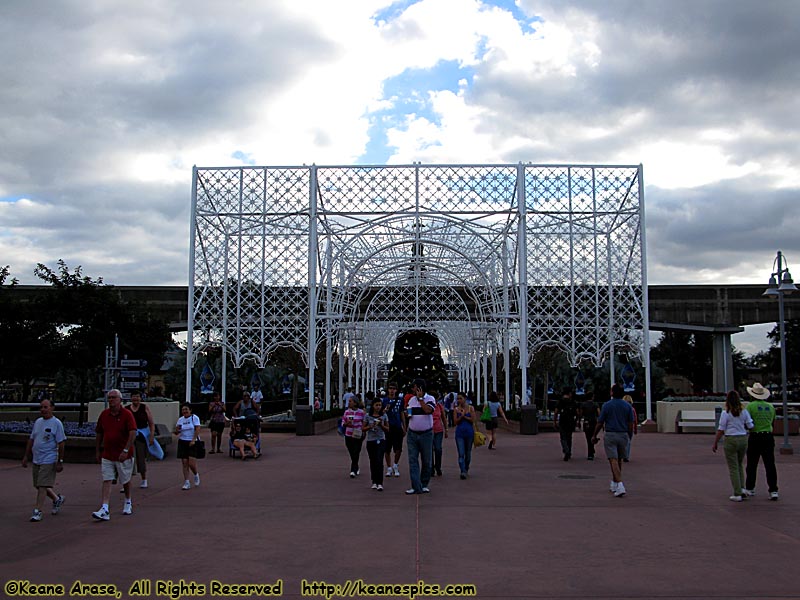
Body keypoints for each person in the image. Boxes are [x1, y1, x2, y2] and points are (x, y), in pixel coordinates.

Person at [93, 389, 137, 521]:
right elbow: (99, 432)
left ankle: (128, 501)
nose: (111, 400)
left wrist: (125, 450)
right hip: (108, 454)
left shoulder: (127, 414)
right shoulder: (104, 415)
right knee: (107, 479)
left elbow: (133, 432)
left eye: (114, 398)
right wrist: (97, 450)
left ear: (120, 400)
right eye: (109, 398)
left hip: (123, 454)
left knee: (125, 480)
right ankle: (105, 507)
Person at [22, 399, 66, 522]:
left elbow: (61, 443)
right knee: (38, 485)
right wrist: (26, 456)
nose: (43, 409)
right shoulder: (38, 422)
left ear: (52, 408)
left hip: (49, 458)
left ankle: (38, 511)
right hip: (37, 459)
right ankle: (57, 499)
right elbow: (31, 439)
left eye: (46, 407)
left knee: (42, 485)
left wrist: (60, 461)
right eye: (41, 407)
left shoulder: (56, 423)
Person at [592, 384, 635, 497]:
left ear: (612, 393)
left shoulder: (607, 405)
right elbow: (630, 423)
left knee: (613, 459)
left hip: (611, 434)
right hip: (623, 434)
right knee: (619, 459)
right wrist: (629, 436)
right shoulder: (627, 406)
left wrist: (594, 435)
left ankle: (620, 484)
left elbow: (600, 422)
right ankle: (615, 482)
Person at [712, 390, 754, 502]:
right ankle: (742, 488)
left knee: (733, 467)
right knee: (739, 464)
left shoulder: (726, 413)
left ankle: (737, 492)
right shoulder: (744, 412)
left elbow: (721, 429)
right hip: (743, 438)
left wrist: (715, 442)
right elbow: (750, 425)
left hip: (730, 439)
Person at [743, 382, 779, 500]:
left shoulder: (750, 406)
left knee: (752, 464)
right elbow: (772, 422)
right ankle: (773, 490)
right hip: (768, 436)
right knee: (770, 464)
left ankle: (750, 487)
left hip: (755, 436)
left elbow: (747, 422)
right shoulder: (770, 407)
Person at [405, 378, 436, 495]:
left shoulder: (430, 398)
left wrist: (421, 399)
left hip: (426, 434)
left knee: (426, 460)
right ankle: (415, 485)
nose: (413, 389)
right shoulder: (411, 400)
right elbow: (409, 412)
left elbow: (428, 411)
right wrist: (408, 415)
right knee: (413, 460)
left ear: (420, 388)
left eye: (415, 387)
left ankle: (424, 484)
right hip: (412, 433)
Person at [126, 391, 155, 488]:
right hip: (130, 436)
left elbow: (151, 423)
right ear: (131, 398)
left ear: (140, 398)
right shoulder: (126, 409)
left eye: (137, 396)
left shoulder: (144, 407)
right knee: (128, 459)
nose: (136, 399)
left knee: (141, 458)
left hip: (141, 436)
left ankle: (144, 479)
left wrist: (151, 435)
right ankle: (126, 481)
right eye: (134, 396)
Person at [174, 404, 202, 491]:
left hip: (192, 442)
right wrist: (177, 430)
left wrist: (193, 440)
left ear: (190, 410)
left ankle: (196, 474)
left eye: (186, 409)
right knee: (184, 462)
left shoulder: (194, 418)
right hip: (183, 441)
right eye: (183, 410)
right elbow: (177, 431)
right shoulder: (180, 419)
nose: (185, 411)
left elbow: (197, 429)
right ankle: (186, 482)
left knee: (191, 464)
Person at [381, 382, 406, 478]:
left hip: (397, 427)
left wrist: (404, 426)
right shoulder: (384, 401)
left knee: (398, 448)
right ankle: (388, 467)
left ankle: (395, 465)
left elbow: (402, 413)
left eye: (393, 388)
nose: (392, 390)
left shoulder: (400, 400)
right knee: (387, 449)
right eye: (390, 388)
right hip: (387, 427)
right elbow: (381, 413)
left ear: (396, 390)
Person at [364, 398, 389, 491]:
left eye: (379, 405)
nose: (378, 407)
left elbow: (387, 429)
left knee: (379, 460)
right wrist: (370, 426)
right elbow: (363, 428)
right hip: (371, 440)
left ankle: (380, 482)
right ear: (373, 406)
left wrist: (381, 425)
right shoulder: (367, 416)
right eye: (376, 405)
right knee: (373, 461)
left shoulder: (384, 416)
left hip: (381, 440)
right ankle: (374, 481)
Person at [453, 392, 476, 479]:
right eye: (458, 399)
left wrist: (464, 416)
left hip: (469, 433)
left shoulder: (471, 408)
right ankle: (462, 471)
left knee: (468, 453)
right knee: (461, 453)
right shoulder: (456, 409)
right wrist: (460, 417)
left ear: (465, 399)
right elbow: (455, 422)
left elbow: (472, 420)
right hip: (460, 433)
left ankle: (466, 467)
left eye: (460, 398)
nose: (459, 400)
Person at [342, 395, 365, 478]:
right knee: (351, 452)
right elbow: (343, 422)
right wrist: (346, 423)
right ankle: (356, 466)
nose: (349, 403)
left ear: (355, 403)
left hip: (357, 435)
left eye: (351, 401)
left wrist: (363, 431)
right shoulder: (347, 412)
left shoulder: (361, 412)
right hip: (348, 434)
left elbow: (364, 422)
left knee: (356, 451)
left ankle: (353, 470)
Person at [554, 388, 578, 461]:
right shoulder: (573, 401)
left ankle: (566, 450)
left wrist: (555, 421)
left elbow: (556, 412)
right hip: (570, 421)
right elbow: (577, 412)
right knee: (569, 437)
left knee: (563, 437)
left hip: (563, 421)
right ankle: (569, 451)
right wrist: (577, 420)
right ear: (569, 393)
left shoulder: (560, 401)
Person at [430, 394, 448, 475]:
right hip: (429, 430)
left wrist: (446, 429)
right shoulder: (427, 406)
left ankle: (438, 466)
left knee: (438, 449)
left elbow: (443, 418)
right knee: (429, 450)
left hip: (438, 430)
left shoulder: (439, 406)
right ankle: (430, 468)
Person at [579, 392, 599, 460]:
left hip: (586, 422)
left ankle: (590, 453)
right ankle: (591, 450)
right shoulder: (595, 404)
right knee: (593, 435)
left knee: (588, 437)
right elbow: (599, 413)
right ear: (592, 397)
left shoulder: (583, 404)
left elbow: (580, 414)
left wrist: (579, 420)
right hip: (594, 422)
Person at [622, 394, 637, 462]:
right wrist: (635, 429)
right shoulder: (632, 409)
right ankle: (626, 456)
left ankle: (622, 454)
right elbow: (635, 420)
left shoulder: (621, 409)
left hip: (622, 427)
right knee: (628, 442)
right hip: (629, 427)